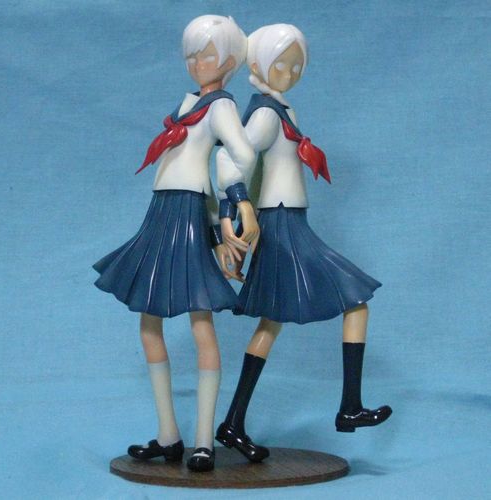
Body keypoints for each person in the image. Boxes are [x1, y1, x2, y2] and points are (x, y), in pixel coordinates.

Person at [215, 24, 391, 463]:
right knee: (355, 299)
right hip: (282, 223)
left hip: (290, 219)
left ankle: (233, 423)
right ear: (259, 65)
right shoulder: (266, 115)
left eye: (297, 66)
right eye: (282, 64)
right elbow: (229, 158)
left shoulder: (281, 110)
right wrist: (238, 209)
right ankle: (348, 407)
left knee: (271, 322)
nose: (291, 73)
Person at [93, 15, 259, 472]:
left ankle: (204, 440)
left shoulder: (220, 106)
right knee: (149, 321)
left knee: (199, 319)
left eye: (207, 54)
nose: (197, 62)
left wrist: (233, 205)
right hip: (162, 210)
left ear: (229, 61)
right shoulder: (190, 103)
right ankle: (169, 435)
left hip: (187, 210)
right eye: (192, 55)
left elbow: (242, 154)